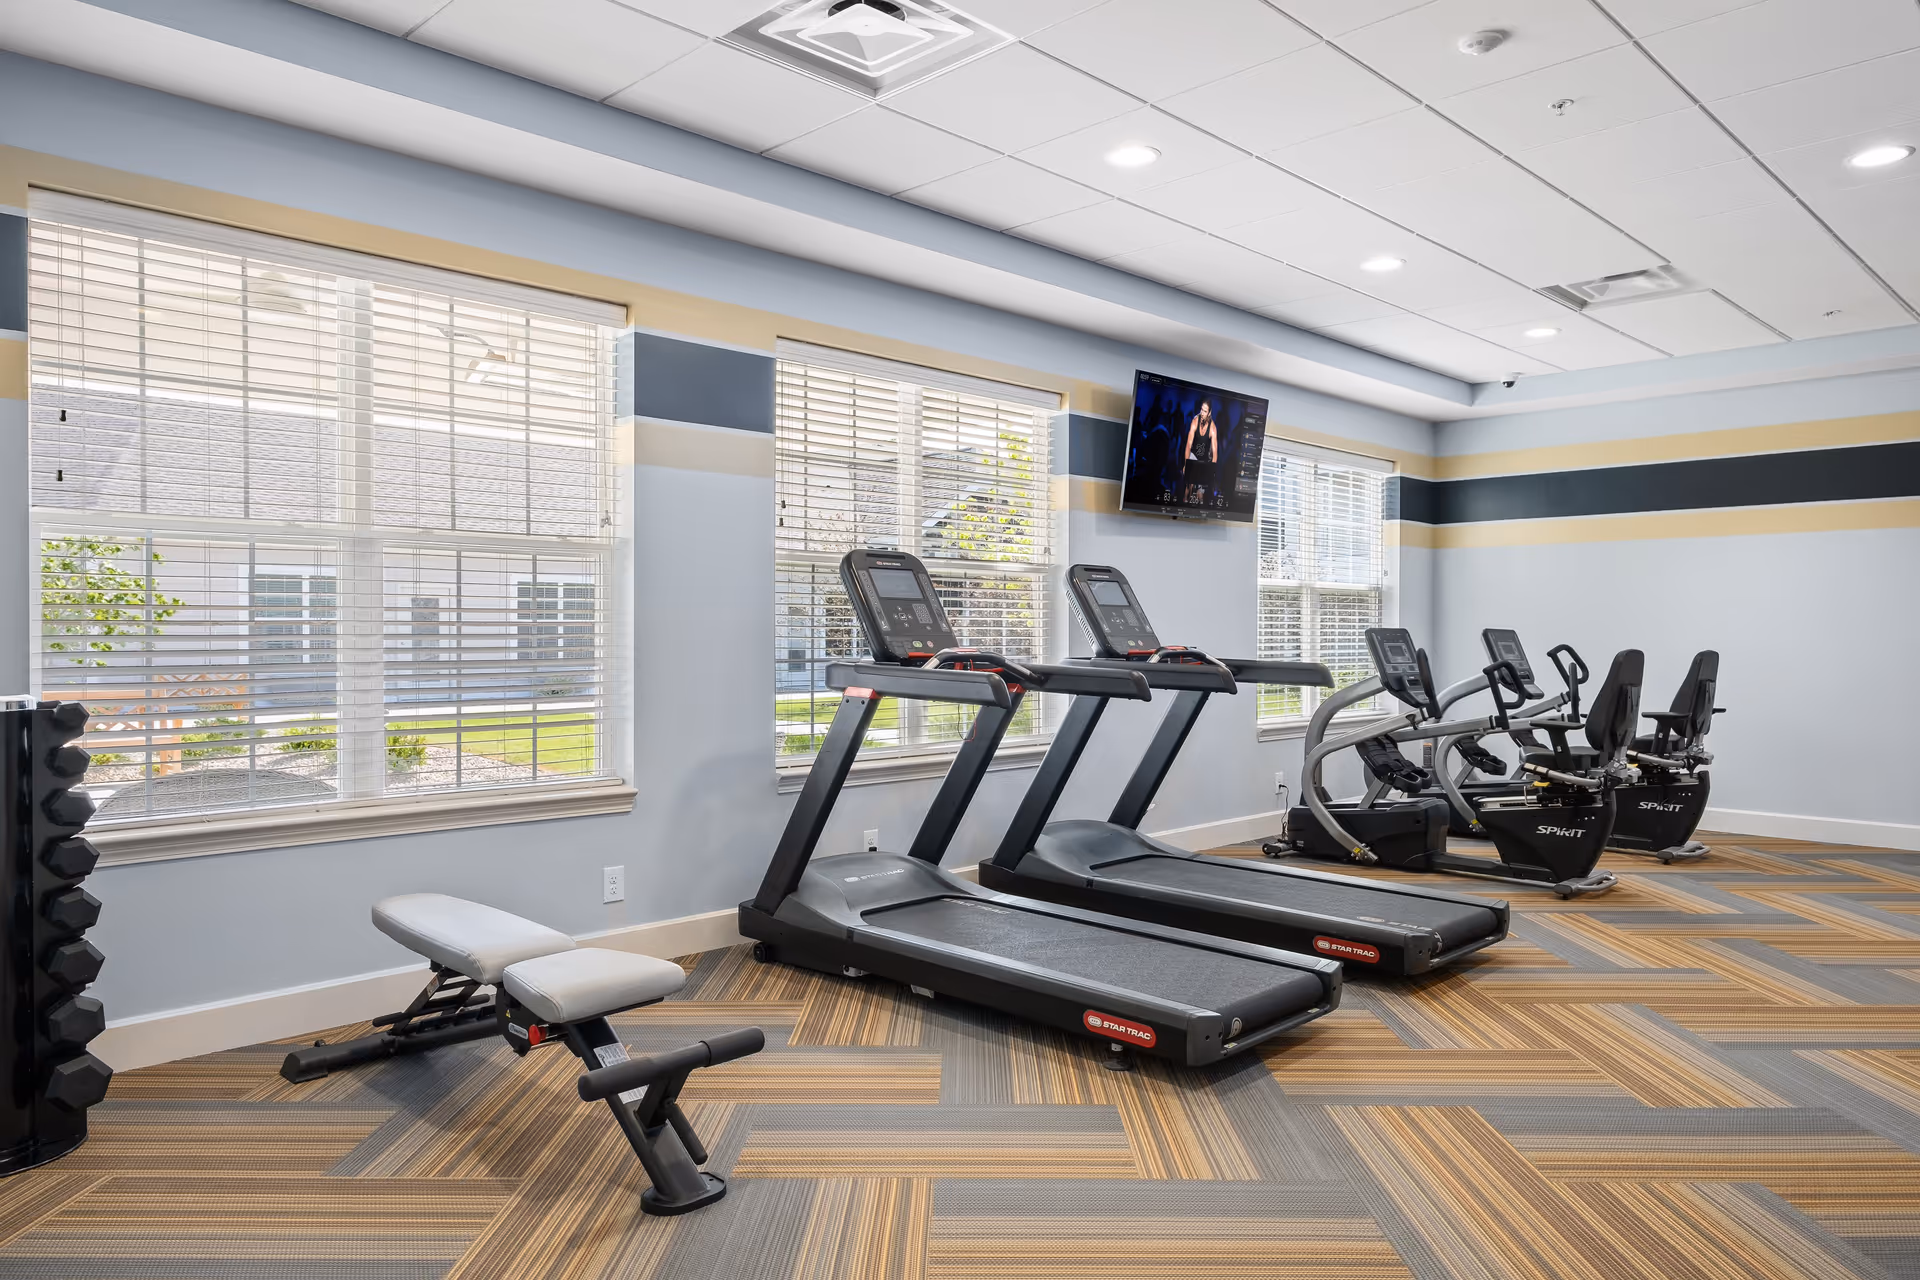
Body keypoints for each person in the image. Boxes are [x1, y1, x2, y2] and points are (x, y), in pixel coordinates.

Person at [1181, 398, 1218, 506]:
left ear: (1209, 412)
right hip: (1193, 455)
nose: (1202, 413)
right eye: (1201, 410)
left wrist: (1212, 473)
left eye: (1205, 411)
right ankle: (1184, 507)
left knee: (1200, 495)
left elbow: (1215, 455)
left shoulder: (1213, 428)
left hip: (1204, 461)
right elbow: (1188, 445)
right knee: (1189, 485)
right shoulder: (1194, 421)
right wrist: (1186, 465)